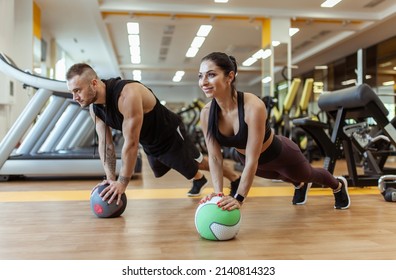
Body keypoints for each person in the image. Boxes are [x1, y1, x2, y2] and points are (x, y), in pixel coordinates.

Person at [65, 63, 240, 204]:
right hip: (149, 141)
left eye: (77, 90)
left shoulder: (127, 95)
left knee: (198, 161)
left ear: (94, 83)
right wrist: (110, 179)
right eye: (72, 92)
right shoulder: (95, 109)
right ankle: (198, 179)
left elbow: (131, 143)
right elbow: (105, 144)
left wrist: (122, 183)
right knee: (175, 164)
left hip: (169, 133)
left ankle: (234, 178)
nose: (75, 97)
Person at [198, 52, 350, 211]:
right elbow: (215, 157)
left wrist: (239, 199)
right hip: (252, 162)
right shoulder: (207, 113)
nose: (203, 82)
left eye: (211, 75)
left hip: (282, 154)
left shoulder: (253, 106)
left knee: (307, 174)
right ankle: (299, 185)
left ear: (229, 77)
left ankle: (338, 185)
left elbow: (252, 158)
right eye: (200, 76)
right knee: (283, 176)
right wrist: (218, 194)